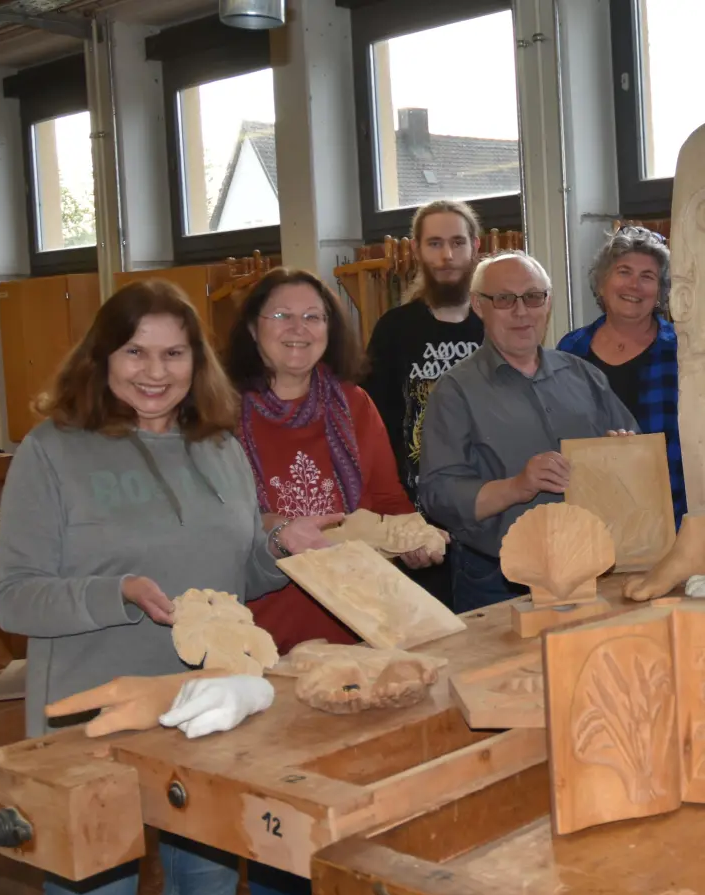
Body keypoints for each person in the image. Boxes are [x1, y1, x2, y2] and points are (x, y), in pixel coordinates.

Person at [0, 280, 336, 895]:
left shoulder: (221, 447)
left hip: (203, 716)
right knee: (97, 889)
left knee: (206, 884)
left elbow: (237, 576)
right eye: (135, 353)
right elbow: (12, 596)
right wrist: (114, 591)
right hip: (91, 724)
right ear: (101, 358)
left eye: (174, 354)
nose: (155, 372)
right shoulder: (51, 453)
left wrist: (280, 549)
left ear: (196, 363)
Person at [223, 268, 443, 655]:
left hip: (357, 620)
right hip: (253, 632)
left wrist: (411, 540)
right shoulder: (219, 413)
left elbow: (388, 500)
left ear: (330, 328)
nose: (299, 328)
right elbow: (213, 528)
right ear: (252, 329)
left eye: (313, 316)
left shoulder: (354, 404)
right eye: (281, 315)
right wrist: (278, 528)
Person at [418, 252, 637, 612]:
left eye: (533, 297)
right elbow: (439, 495)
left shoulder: (584, 376)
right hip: (500, 580)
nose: (521, 312)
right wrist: (518, 486)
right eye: (504, 299)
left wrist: (623, 453)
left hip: (594, 566)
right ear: (478, 305)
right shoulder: (455, 390)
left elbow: (634, 452)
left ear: (547, 303)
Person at [362, 200, 485, 603]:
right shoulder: (394, 330)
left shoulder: (496, 324)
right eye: (434, 243)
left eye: (456, 242)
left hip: (487, 513)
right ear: (416, 250)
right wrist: (395, 516)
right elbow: (373, 428)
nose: (447, 255)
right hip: (415, 523)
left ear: (475, 246)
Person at [557, 225, 685, 518]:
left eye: (647, 277)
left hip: (670, 508)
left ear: (660, 293)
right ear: (602, 283)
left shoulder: (683, 351)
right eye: (624, 272)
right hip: (589, 507)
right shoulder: (570, 349)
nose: (634, 286)